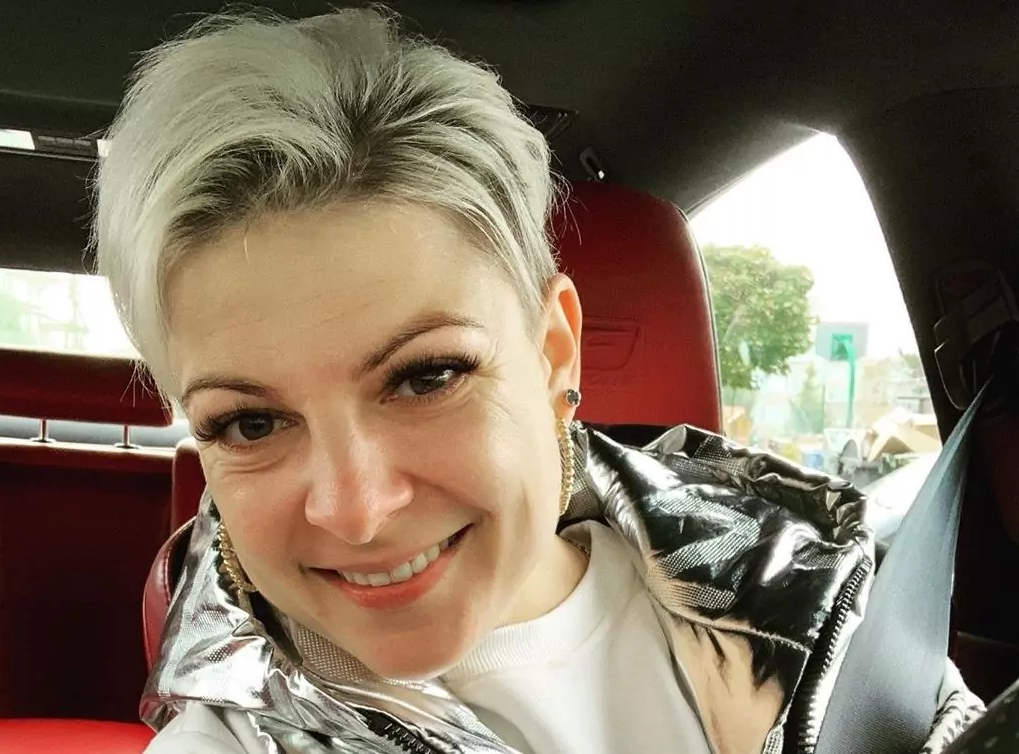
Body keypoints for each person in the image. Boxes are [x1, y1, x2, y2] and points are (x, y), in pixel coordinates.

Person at [93, 8, 982, 754]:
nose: (355, 510)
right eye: (249, 424)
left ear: (555, 352)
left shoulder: (837, 622)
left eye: (426, 376)